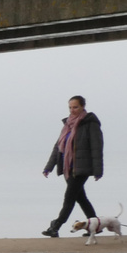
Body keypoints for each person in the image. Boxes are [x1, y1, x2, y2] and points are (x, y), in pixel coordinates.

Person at [41, 95, 103, 237]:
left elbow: (97, 147)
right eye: (70, 107)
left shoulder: (90, 123)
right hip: (67, 167)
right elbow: (58, 148)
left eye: (75, 107)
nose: (72, 110)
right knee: (81, 198)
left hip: (82, 168)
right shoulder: (68, 125)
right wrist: (48, 167)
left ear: (82, 107)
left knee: (69, 198)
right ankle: (96, 227)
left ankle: (55, 226)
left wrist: (98, 170)